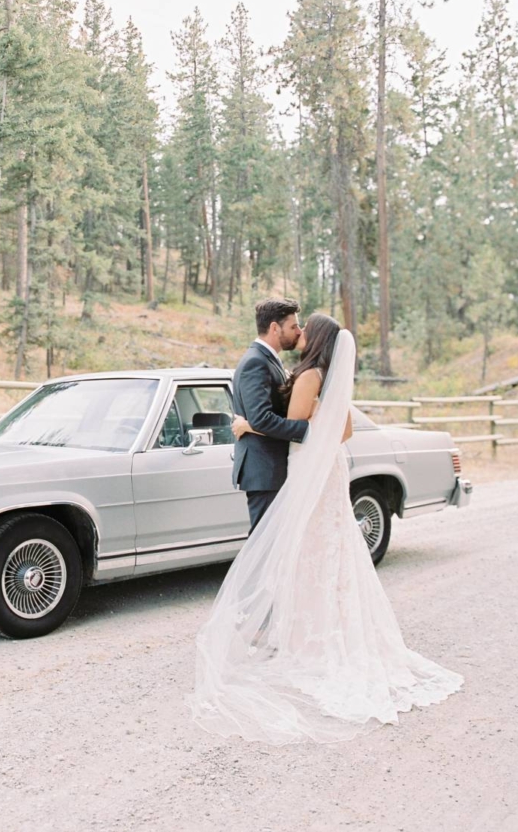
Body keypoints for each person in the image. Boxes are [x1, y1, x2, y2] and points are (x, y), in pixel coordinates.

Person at [190, 313, 463, 744]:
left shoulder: (306, 377)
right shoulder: (324, 375)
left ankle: (289, 635)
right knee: (328, 554)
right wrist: (316, 420)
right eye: (293, 325)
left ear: (312, 337)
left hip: (307, 471)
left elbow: (293, 430)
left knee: (304, 553)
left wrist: (251, 424)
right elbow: (342, 429)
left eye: (303, 328)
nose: (298, 333)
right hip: (330, 470)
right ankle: (306, 630)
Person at [230, 298, 309, 530]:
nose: (298, 331)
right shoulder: (255, 362)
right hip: (265, 471)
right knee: (264, 549)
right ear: (275, 328)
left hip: (274, 468)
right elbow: (261, 418)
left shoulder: (267, 360)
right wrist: (309, 430)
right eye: (293, 326)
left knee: (275, 548)